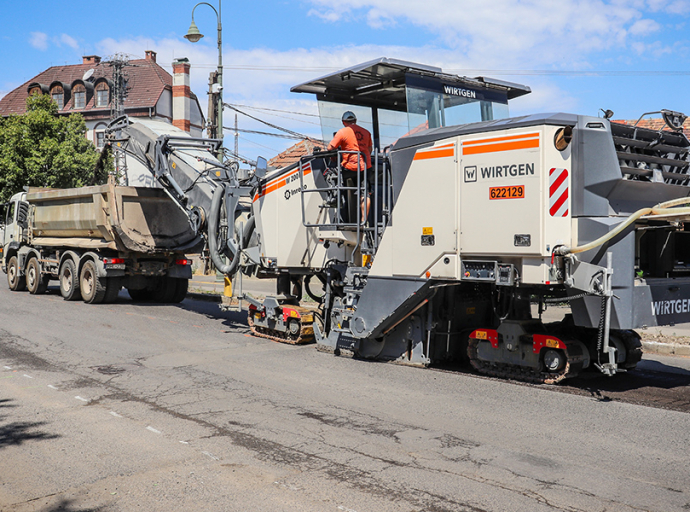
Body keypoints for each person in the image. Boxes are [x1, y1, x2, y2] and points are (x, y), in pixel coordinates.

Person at [327, 111, 372, 223]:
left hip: (349, 168)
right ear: (355, 121)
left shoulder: (342, 132)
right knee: (365, 193)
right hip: (365, 168)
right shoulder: (366, 132)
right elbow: (370, 150)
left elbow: (330, 148)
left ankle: (336, 200)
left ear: (343, 122)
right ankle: (363, 220)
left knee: (333, 176)